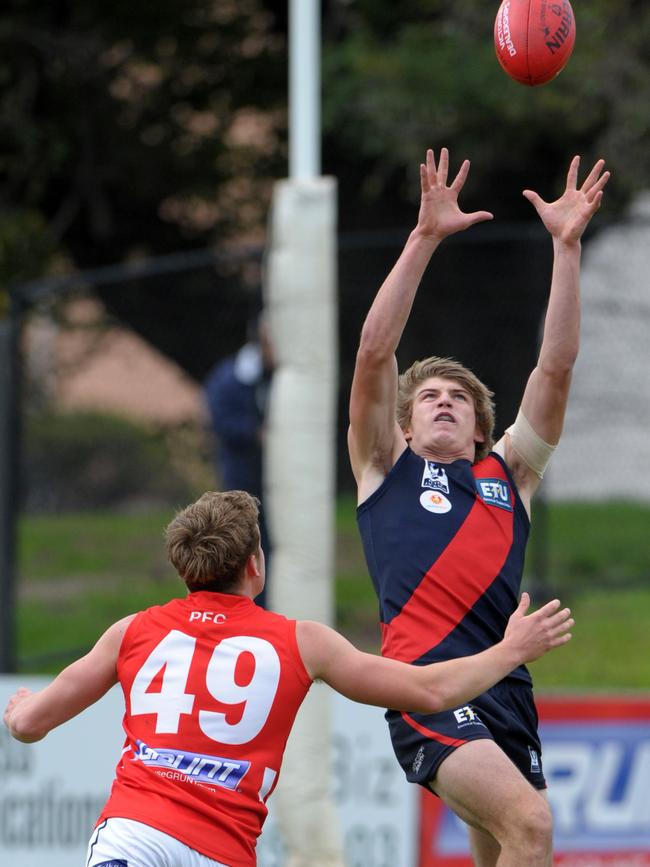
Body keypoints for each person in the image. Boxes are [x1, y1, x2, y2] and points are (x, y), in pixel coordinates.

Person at [4, 489, 573, 867]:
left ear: (184, 568)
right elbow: (430, 691)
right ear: (255, 563)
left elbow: (29, 725)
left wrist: (20, 708)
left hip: (135, 836)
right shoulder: (300, 641)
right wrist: (509, 650)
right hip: (220, 852)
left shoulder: (131, 632)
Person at [348, 147, 609, 867]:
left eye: (458, 398)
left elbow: (554, 367)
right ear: (405, 424)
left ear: (480, 430)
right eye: (428, 395)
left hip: (505, 689)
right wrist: (423, 238)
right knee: (533, 824)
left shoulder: (509, 475)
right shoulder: (384, 467)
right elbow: (375, 353)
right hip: (427, 689)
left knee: (502, 850)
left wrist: (566, 248)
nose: (441, 400)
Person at [204, 313, 274, 607]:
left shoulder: (281, 378)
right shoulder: (231, 376)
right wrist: (255, 434)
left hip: (277, 481)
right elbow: (219, 421)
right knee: (248, 541)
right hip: (243, 476)